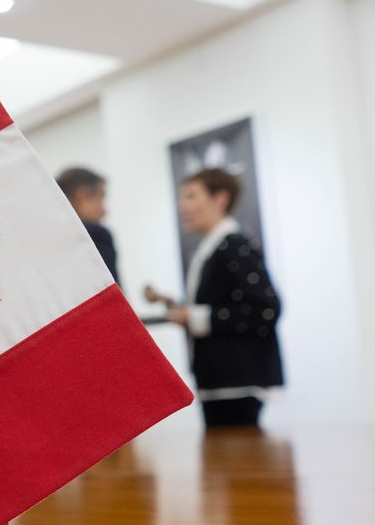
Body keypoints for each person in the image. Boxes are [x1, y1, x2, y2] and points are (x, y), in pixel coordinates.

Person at [145, 169, 282, 427]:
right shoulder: (214, 249)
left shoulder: (234, 246)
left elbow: (265, 309)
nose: (182, 206)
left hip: (236, 383)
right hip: (218, 380)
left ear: (220, 199)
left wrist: (194, 316)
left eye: (191, 196)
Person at [57, 167, 120, 284]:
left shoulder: (49, 239)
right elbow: (111, 294)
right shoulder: (97, 235)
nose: (105, 211)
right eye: (101, 198)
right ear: (82, 197)